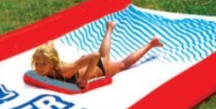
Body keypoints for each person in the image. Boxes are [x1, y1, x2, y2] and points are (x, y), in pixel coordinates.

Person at [30, 20, 163, 89]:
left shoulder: (65, 71)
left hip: (99, 68)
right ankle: (110, 27)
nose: (40, 67)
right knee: (104, 56)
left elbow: (94, 56)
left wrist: (85, 79)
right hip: (85, 63)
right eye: (37, 63)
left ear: (52, 63)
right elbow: (49, 45)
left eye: (43, 64)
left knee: (122, 65)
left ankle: (151, 44)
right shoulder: (46, 58)